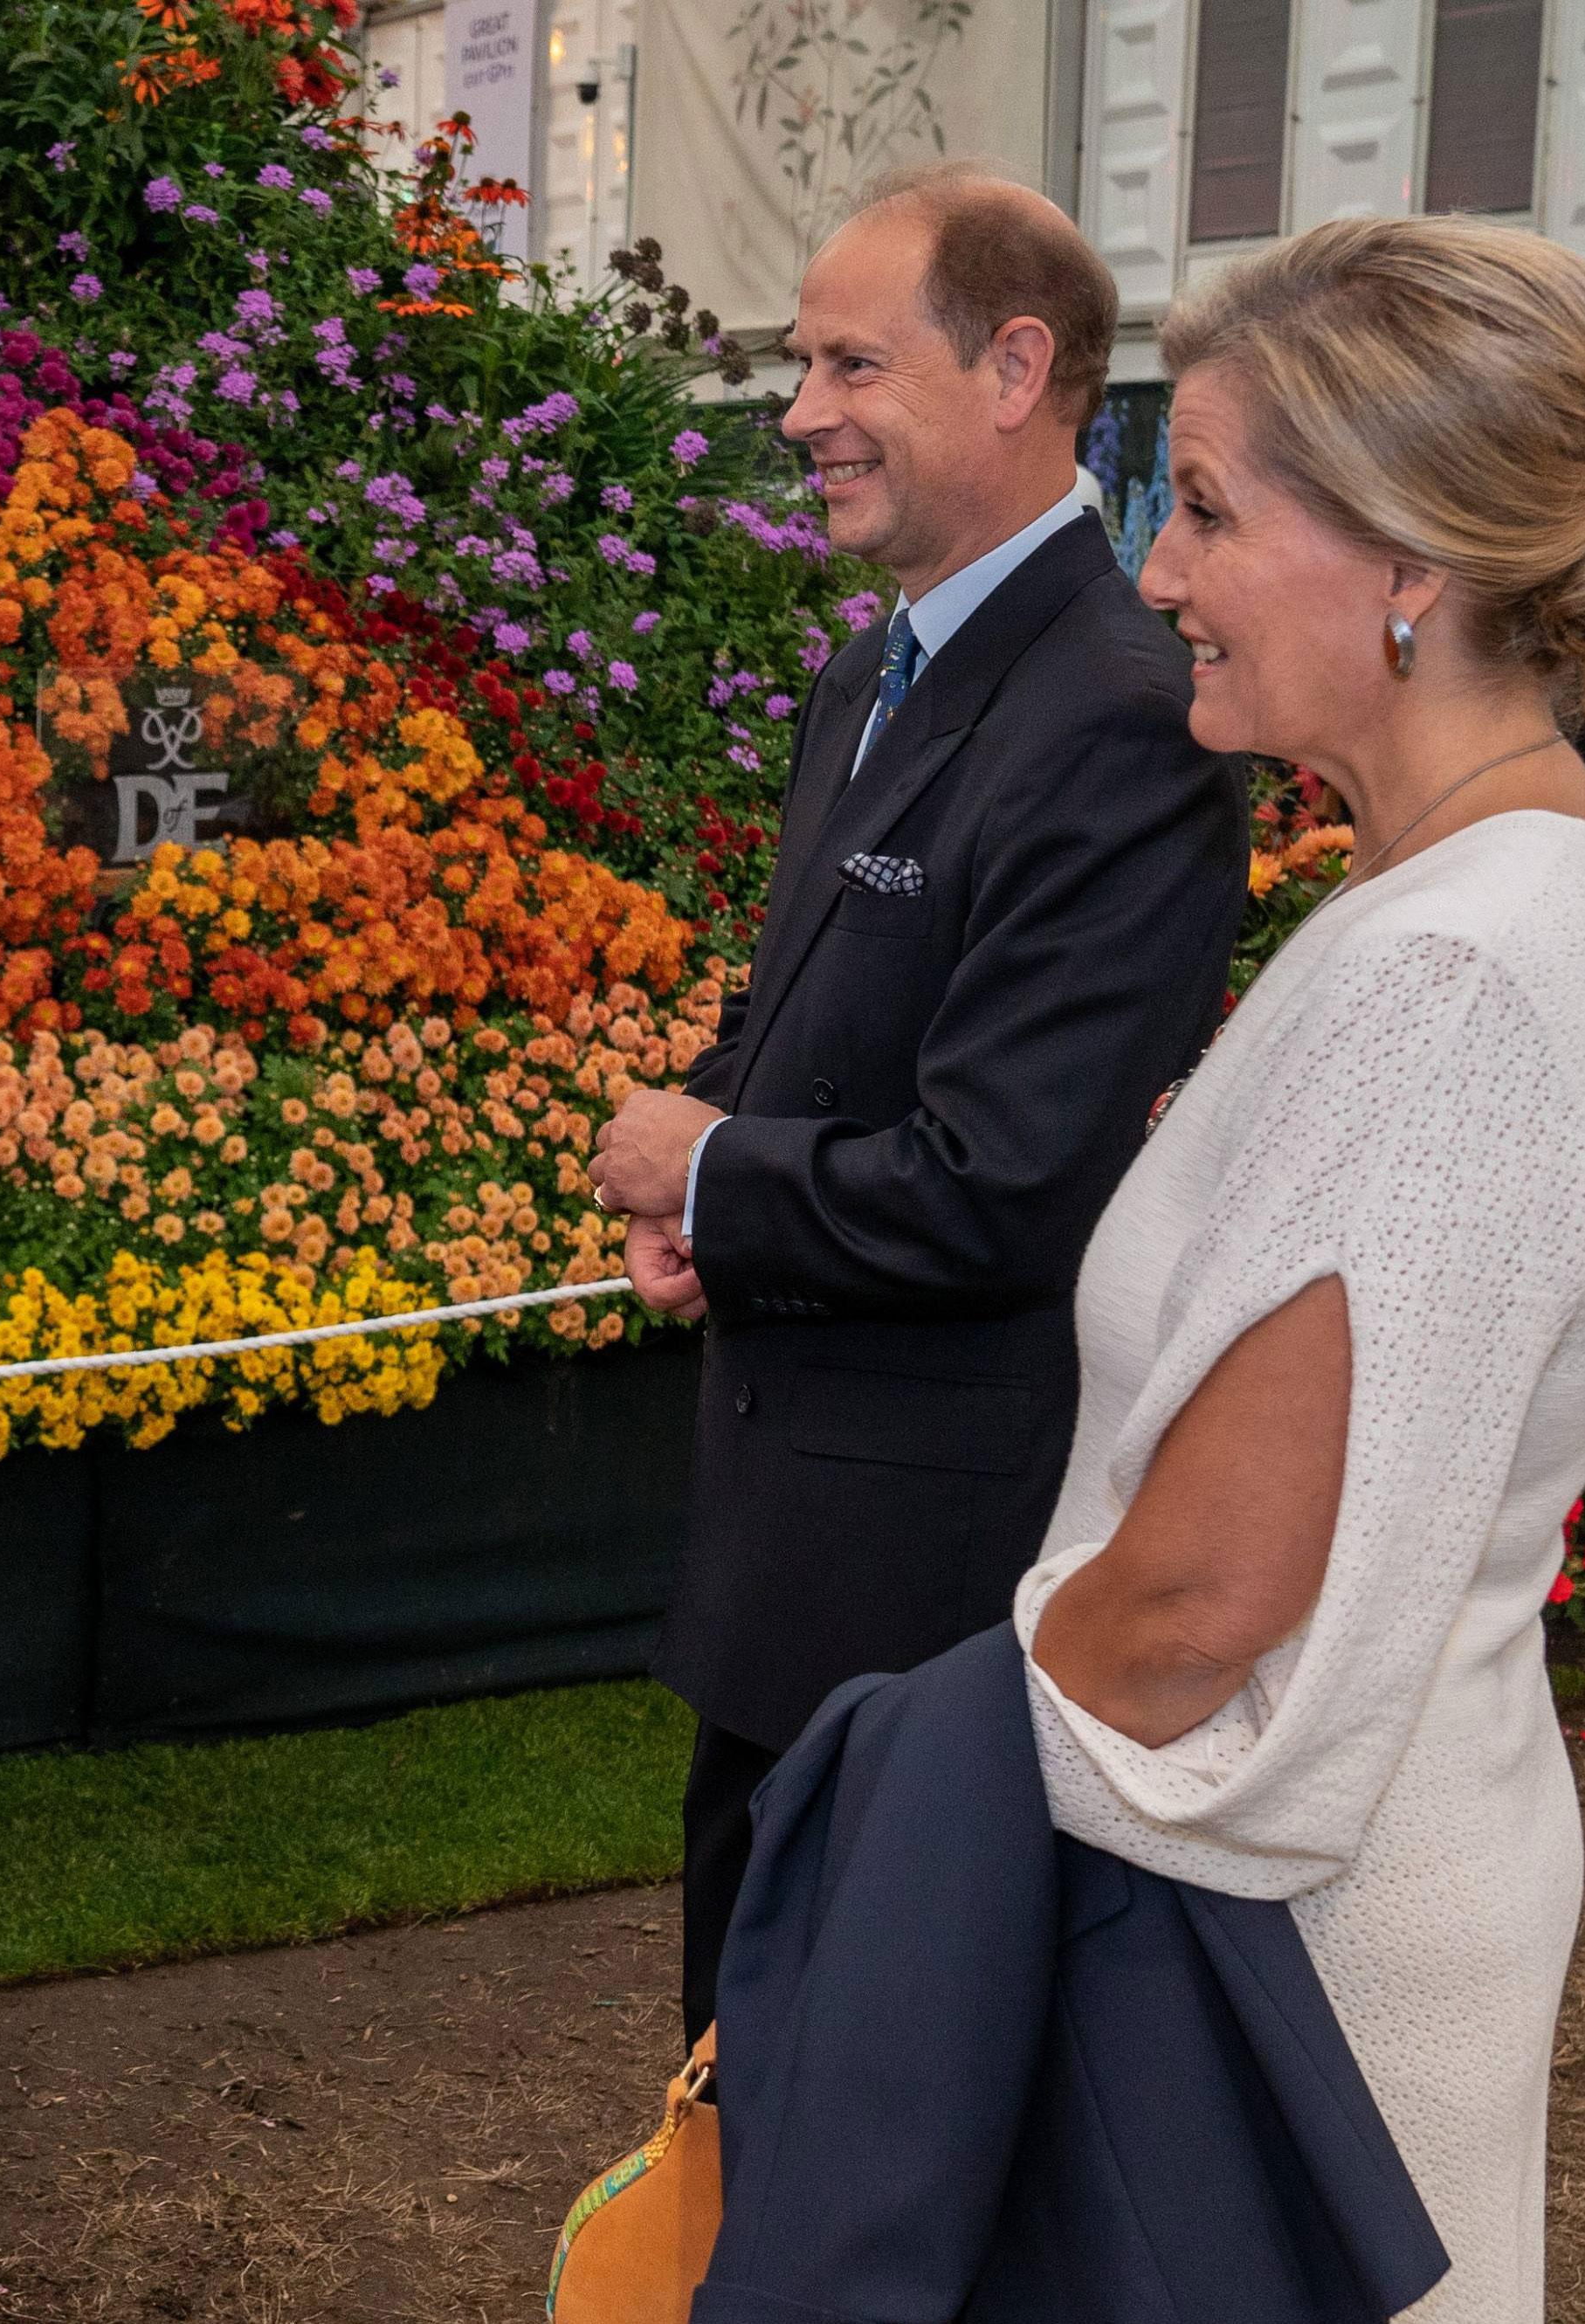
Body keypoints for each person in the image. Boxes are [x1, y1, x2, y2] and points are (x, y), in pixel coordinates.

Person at [1019, 213, 1585, 2322]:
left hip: (1273, 1962)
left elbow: (1205, 1601)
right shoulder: (1489, 888)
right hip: (1338, 1893)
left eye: (1205, 506)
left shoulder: (1451, 974)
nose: (1154, 572)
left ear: (1410, 561)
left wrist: (905, 1817)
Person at [584, 162, 1246, 2044]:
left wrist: (709, 1171)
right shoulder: (874, 666)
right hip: (794, 1546)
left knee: (855, 2107)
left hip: (923, 1589)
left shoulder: (1116, 712)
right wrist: (711, 1139)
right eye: (802, 364)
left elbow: (1000, 1178)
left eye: (848, 363)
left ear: (1015, 365)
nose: (798, 414)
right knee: (749, 2077)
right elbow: (823, 1015)